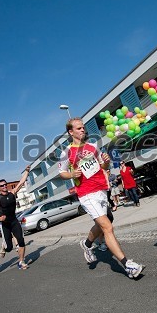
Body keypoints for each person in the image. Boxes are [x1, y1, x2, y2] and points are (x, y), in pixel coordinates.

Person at [58, 118, 144, 279]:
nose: (83, 130)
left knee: (101, 223)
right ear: (71, 132)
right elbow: (62, 173)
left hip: (102, 190)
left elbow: (103, 166)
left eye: (83, 127)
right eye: (79, 128)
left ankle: (87, 244)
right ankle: (127, 265)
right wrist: (71, 174)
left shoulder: (92, 147)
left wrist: (105, 162)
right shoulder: (66, 153)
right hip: (86, 193)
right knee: (107, 227)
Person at [0, 166, 31, 270]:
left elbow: (21, 182)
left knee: (21, 241)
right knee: (9, 248)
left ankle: (21, 261)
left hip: (14, 221)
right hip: (5, 225)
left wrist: (27, 171)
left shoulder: (13, 193)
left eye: (5, 184)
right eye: (2, 185)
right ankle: (4, 247)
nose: (4, 186)